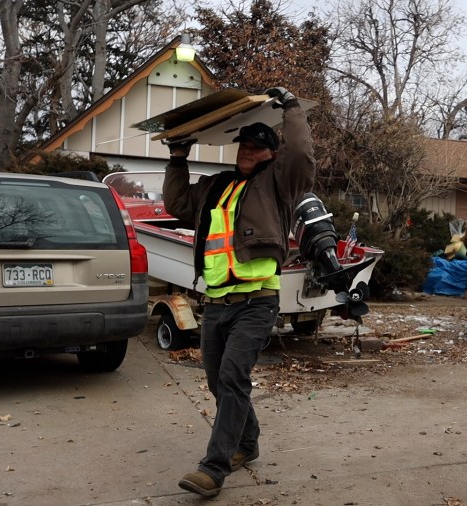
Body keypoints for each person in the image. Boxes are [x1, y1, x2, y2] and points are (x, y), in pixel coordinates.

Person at [161, 87, 315, 497]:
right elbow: (176, 203)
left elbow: (300, 155)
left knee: (232, 377)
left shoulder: (279, 185)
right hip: (215, 302)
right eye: (243, 145)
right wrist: (178, 157)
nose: (246, 151)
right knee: (219, 381)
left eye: (255, 146)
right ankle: (247, 443)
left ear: (270, 153)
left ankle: (214, 467)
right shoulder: (216, 186)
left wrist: (291, 109)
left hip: (257, 301)